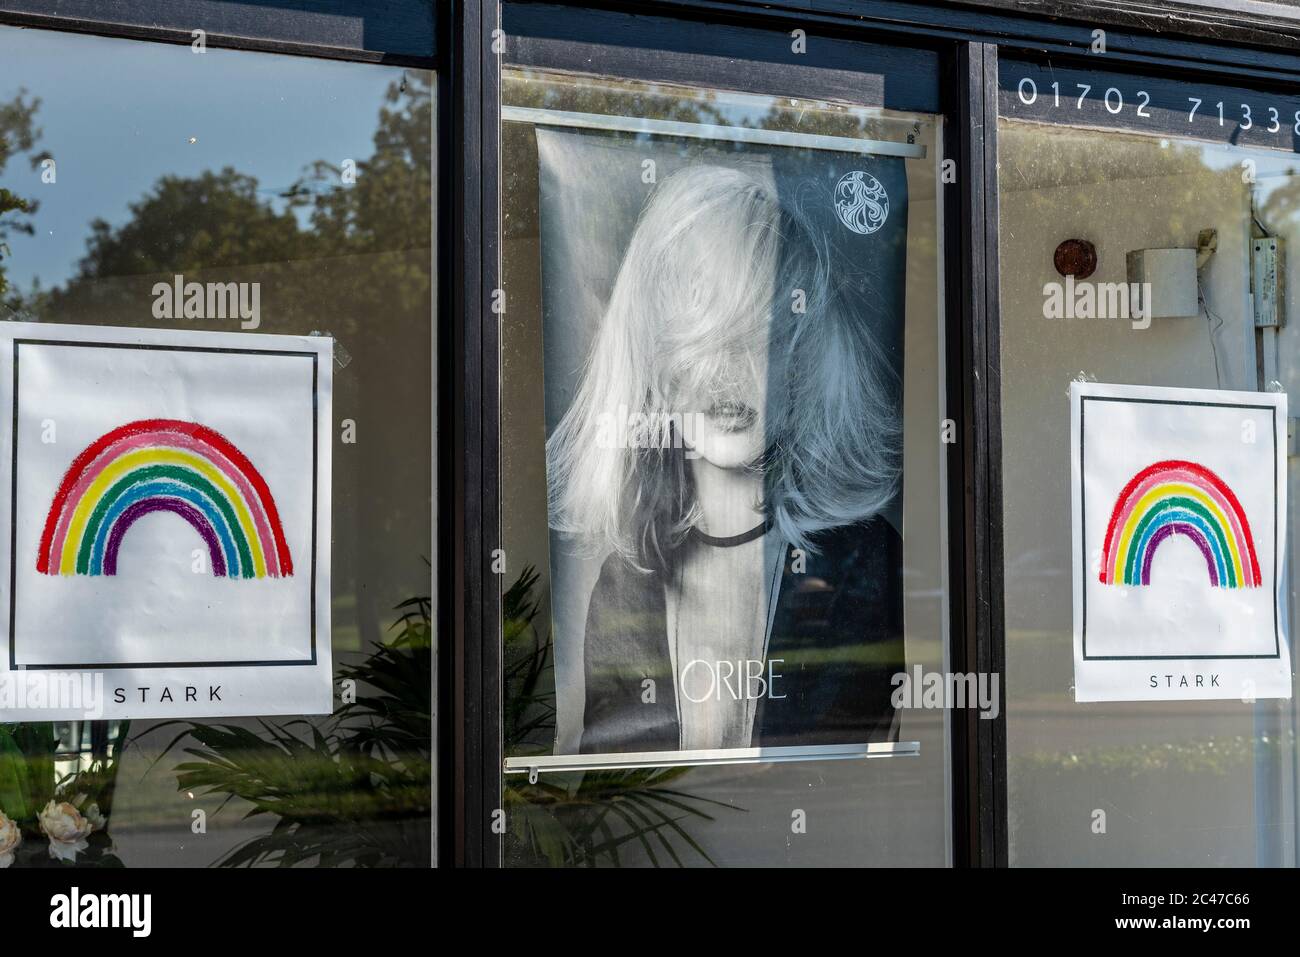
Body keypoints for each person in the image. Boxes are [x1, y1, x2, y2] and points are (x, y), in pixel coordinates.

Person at [546, 163, 904, 754]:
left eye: (758, 335)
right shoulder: (624, 579)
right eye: (701, 339)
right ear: (655, 360)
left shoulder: (866, 564)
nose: (727, 374)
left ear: (804, 358)